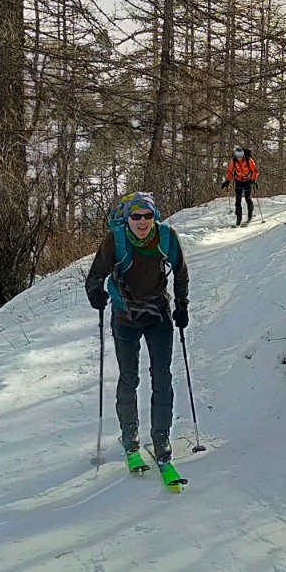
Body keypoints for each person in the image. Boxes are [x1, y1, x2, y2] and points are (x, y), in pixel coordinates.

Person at [85, 192, 189, 467]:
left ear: (155, 217)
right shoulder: (115, 240)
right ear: (127, 218)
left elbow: (180, 272)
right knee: (129, 379)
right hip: (125, 317)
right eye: (136, 216)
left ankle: (161, 436)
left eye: (148, 216)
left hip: (159, 317)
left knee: (162, 377)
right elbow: (95, 275)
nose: (142, 222)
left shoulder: (167, 237)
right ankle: (129, 435)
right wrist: (95, 293)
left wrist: (182, 305)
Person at [220, 147, 258, 226]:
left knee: (248, 199)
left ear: (243, 155)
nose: (239, 158)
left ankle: (250, 214)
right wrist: (227, 181)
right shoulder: (233, 161)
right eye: (237, 156)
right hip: (238, 181)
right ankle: (239, 219)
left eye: (240, 156)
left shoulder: (249, 160)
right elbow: (230, 171)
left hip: (247, 181)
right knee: (238, 200)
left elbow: (254, 170)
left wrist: (254, 180)